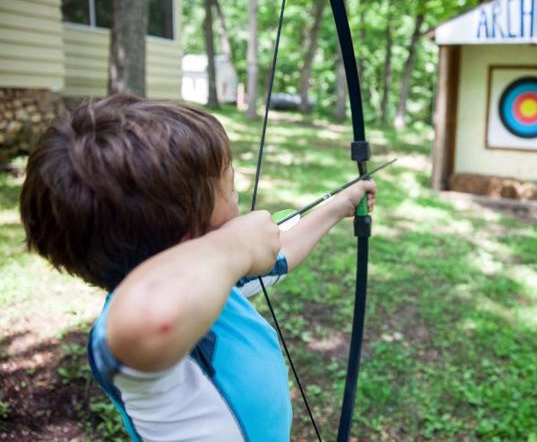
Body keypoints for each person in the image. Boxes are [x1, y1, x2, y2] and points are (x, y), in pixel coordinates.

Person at [19, 95, 376, 441]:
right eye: (229, 188)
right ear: (187, 230)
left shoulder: (212, 282)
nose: (238, 197)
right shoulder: (127, 340)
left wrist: (341, 205)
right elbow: (154, 315)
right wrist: (233, 246)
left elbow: (278, 256)